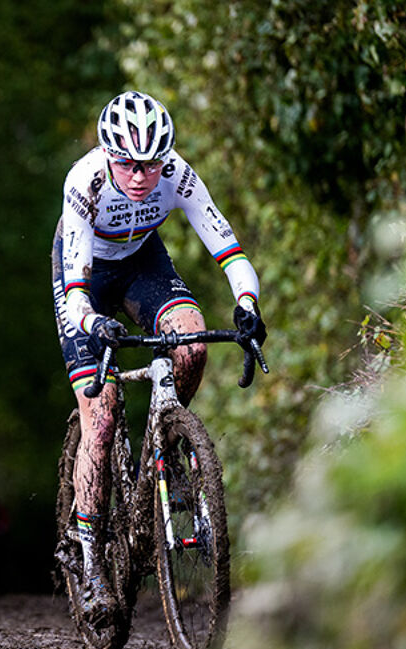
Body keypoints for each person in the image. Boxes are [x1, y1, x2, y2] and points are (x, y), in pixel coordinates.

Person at [49, 91, 267, 622]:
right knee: (99, 416)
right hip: (85, 278)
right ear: (107, 154)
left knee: (191, 343)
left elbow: (228, 247)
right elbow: (76, 287)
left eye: (151, 163)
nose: (142, 176)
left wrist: (247, 305)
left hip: (142, 260)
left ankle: (165, 445)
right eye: (128, 162)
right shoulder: (85, 182)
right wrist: (92, 322)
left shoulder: (177, 174)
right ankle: (88, 555)